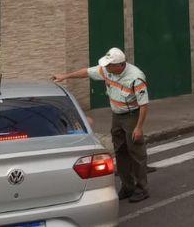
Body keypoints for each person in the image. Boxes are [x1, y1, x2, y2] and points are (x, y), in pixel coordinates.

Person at [53, 47, 150, 203]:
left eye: (109, 66)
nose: (106, 69)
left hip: (132, 116)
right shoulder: (107, 70)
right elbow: (86, 72)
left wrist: (138, 127)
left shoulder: (136, 77)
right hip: (116, 115)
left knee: (136, 152)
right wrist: (65, 76)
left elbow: (144, 105)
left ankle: (142, 189)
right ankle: (127, 186)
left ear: (120, 65)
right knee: (120, 151)